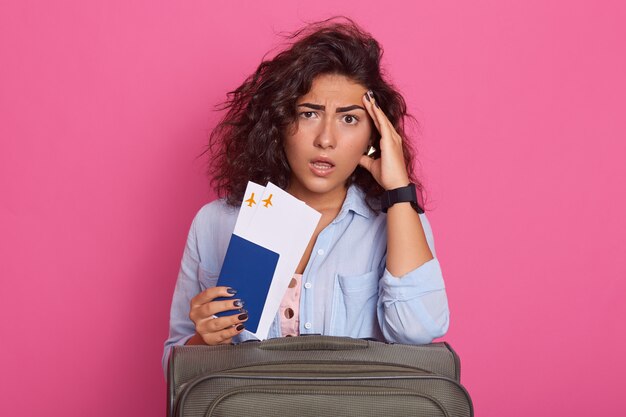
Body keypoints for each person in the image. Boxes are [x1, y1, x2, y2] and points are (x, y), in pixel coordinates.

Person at [162, 18, 449, 372]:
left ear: (374, 135)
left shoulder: (399, 220)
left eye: (349, 119)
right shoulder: (215, 223)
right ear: (280, 121)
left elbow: (418, 332)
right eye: (309, 113)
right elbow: (175, 369)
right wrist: (203, 340)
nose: (325, 140)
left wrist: (399, 191)